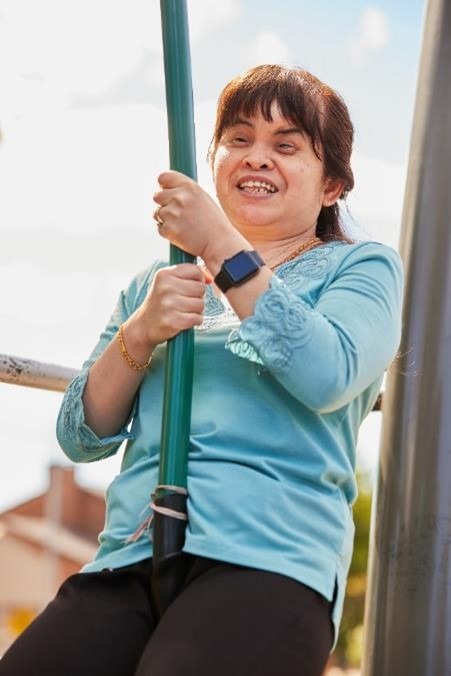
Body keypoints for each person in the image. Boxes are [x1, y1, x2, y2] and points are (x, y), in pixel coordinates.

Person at [0, 65, 403, 676]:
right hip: (129, 555)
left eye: (286, 146)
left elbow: (328, 373)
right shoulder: (155, 282)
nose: (256, 158)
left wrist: (220, 243)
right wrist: (139, 333)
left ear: (331, 186)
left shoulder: (362, 269)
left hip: (268, 561)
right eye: (238, 140)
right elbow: (79, 435)